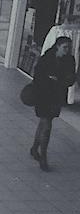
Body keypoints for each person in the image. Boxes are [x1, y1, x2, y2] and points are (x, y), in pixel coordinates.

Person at [30, 36, 76, 171]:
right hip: (44, 96)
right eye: (65, 47)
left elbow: (71, 79)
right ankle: (43, 156)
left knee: (44, 122)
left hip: (56, 97)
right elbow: (37, 76)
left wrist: (57, 79)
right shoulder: (47, 58)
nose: (67, 50)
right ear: (58, 46)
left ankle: (34, 148)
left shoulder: (70, 60)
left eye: (69, 47)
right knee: (47, 124)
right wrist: (52, 80)